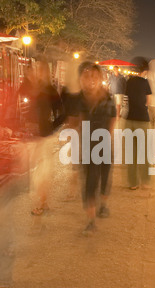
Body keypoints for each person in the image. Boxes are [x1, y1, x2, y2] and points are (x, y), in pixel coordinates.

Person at [66, 62, 116, 236]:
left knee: (104, 176)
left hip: (104, 144)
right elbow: (73, 123)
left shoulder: (108, 98)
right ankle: (91, 221)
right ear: (80, 79)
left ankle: (103, 203)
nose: (91, 80)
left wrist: (108, 138)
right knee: (89, 182)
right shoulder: (77, 100)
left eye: (94, 76)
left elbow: (112, 119)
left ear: (100, 78)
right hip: (87, 146)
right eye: (86, 76)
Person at [21, 59, 64, 215]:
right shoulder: (32, 88)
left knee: (41, 171)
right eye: (36, 69)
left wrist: (51, 128)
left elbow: (61, 113)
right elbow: (23, 103)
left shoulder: (50, 90)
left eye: (40, 69)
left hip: (44, 136)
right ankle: (43, 201)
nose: (37, 72)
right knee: (37, 170)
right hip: (32, 135)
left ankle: (40, 203)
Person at [124, 57, 152, 190]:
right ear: (145, 70)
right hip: (142, 119)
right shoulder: (145, 83)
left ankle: (133, 183)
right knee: (144, 151)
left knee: (131, 153)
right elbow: (149, 102)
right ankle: (145, 181)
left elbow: (127, 98)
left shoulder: (129, 81)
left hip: (130, 119)